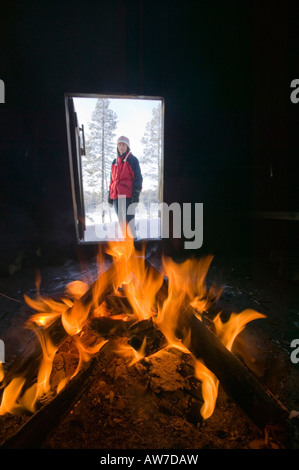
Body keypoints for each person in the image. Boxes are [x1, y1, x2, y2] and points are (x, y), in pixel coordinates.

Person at [108, 136, 142, 238]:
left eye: (123, 145)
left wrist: (136, 194)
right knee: (121, 221)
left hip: (127, 195)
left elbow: (138, 178)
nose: (121, 147)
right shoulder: (114, 162)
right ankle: (126, 243)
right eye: (119, 144)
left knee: (128, 220)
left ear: (127, 147)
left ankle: (134, 242)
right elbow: (112, 180)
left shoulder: (132, 160)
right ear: (117, 146)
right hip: (116, 196)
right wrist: (109, 195)